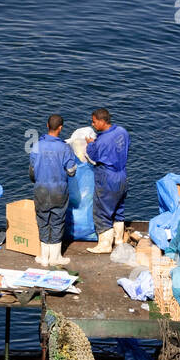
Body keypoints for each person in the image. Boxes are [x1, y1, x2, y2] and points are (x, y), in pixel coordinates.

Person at [29, 114, 78, 266]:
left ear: (47, 125)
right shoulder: (65, 147)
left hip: (41, 189)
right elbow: (71, 171)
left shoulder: (36, 145)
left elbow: (31, 170)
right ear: (60, 128)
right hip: (58, 190)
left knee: (43, 220)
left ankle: (44, 258)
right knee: (57, 221)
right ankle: (55, 258)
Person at [84, 107, 130, 253]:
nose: (93, 125)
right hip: (122, 175)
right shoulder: (122, 132)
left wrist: (91, 143)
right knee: (118, 209)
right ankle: (119, 240)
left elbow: (93, 155)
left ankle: (105, 245)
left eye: (94, 122)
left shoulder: (102, 140)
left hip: (107, 177)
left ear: (102, 121)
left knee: (102, 210)